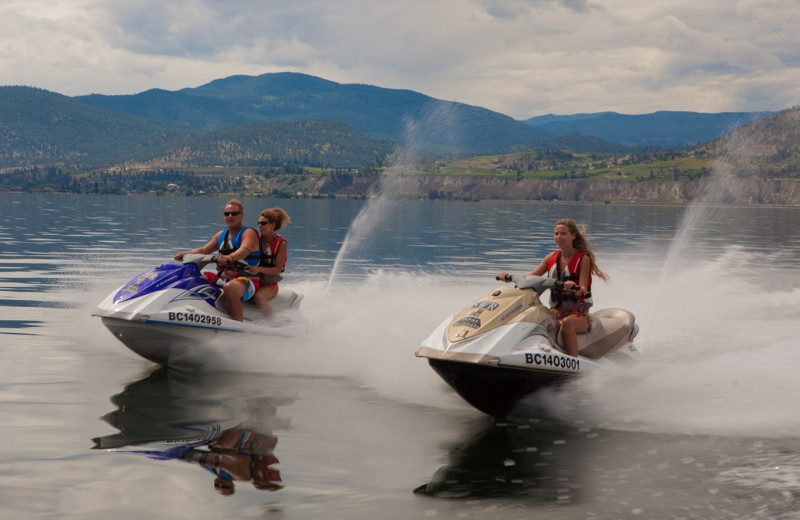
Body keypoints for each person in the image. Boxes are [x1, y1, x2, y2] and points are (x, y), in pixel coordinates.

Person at [498, 218, 608, 357]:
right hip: (555, 312)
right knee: (532, 317)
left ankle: (572, 362)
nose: (558, 237)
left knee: (567, 324)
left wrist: (574, 288)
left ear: (572, 236)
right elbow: (530, 279)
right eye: (556, 234)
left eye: (563, 233)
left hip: (579, 315)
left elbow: (583, 288)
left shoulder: (582, 259)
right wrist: (510, 278)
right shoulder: (551, 258)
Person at [174, 199, 260, 321]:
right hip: (224, 277)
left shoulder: (248, 232)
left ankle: (238, 324)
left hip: (247, 280)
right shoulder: (221, 235)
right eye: (227, 214)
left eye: (234, 213)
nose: (230, 216)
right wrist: (185, 254)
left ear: (241, 215)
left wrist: (230, 257)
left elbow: (245, 249)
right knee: (193, 280)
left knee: (230, 288)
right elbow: (204, 250)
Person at [248, 208, 291, 317]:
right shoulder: (256, 239)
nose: (260, 226)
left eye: (263, 223)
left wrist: (257, 269)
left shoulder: (281, 244)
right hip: (255, 279)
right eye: (258, 223)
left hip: (271, 285)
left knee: (258, 297)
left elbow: (277, 269)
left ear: (273, 225)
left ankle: (274, 323)